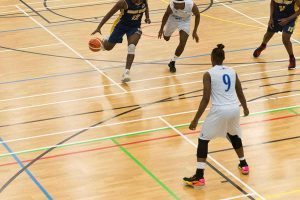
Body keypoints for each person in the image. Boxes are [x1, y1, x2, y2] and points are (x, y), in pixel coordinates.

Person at [183, 44, 250, 189]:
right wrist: (245, 107)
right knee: (233, 135)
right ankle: (244, 164)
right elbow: (240, 91)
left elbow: (205, 99)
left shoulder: (208, 73)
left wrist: (195, 119)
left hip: (220, 110)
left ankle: (199, 177)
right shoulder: (233, 71)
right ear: (223, 58)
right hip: (234, 109)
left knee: (203, 139)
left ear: (212, 58)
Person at [92, 0, 151, 82]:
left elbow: (146, 7)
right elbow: (109, 14)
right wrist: (99, 27)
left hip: (134, 27)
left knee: (132, 47)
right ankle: (105, 41)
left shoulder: (144, 0)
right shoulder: (123, 3)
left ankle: (126, 72)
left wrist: (147, 17)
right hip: (121, 26)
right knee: (108, 47)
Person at [253, 0, 300, 70]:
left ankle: (292, 58)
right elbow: (272, 2)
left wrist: (287, 19)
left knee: (285, 38)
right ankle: (263, 46)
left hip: (290, 18)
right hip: (277, 15)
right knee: (268, 34)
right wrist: (271, 18)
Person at [158, 0, 200, 73]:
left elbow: (198, 15)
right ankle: (166, 32)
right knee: (166, 38)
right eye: (174, 4)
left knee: (183, 42)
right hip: (172, 19)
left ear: (182, 4)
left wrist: (195, 31)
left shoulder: (191, 5)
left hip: (185, 21)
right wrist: (161, 29)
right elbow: (166, 15)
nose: (174, 5)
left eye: (176, 4)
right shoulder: (171, 5)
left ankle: (173, 62)